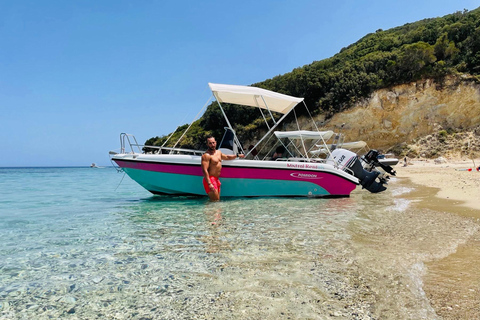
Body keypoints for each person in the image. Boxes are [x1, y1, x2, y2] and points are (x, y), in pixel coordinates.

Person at [201, 135, 244, 201]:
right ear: (207, 144)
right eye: (210, 143)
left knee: (216, 201)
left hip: (216, 179)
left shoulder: (219, 153)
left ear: (216, 142)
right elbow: (204, 170)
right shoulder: (206, 155)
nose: (212, 145)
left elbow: (227, 157)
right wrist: (209, 183)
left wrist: (238, 155)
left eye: (213, 142)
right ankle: (207, 211)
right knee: (214, 201)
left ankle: (211, 211)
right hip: (210, 179)